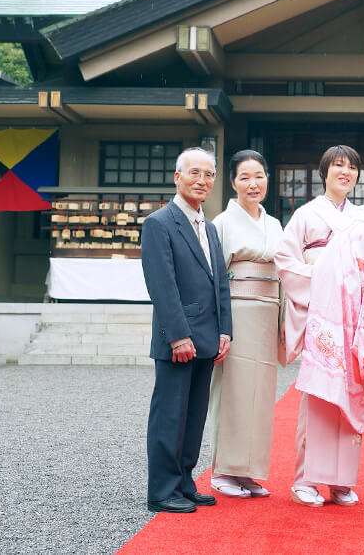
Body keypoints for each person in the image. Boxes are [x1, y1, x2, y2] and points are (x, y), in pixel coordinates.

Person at [275, 145, 364, 508]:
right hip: (323, 314)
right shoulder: (307, 215)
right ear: (324, 172)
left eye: (352, 167)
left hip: (356, 318)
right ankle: (305, 479)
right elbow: (285, 260)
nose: (345, 172)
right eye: (338, 166)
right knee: (320, 394)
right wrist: (325, 279)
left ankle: (340, 482)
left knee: (353, 392)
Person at [141, 147, 232, 514]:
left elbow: (219, 283)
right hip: (178, 339)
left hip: (209, 337)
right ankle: (161, 490)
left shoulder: (208, 226)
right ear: (177, 177)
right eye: (194, 173)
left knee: (194, 415)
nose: (202, 180)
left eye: (208, 174)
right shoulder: (159, 223)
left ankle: (184, 481)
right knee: (170, 414)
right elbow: (162, 286)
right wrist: (178, 335)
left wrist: (225, 329)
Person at [207, 150, 284, 499]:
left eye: (259, 176)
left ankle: (251, 471)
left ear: (267, 178)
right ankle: (224, 469)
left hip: (268, 311)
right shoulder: (223, 222)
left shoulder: (275, 224)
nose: (253, 184)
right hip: (237, 312)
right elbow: (214, 278)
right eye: (245, 178)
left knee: (262, 393)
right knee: (234, 392)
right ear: (234, 182)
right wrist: (220, 326)